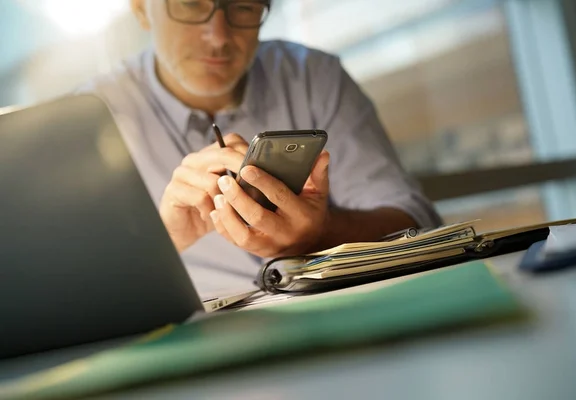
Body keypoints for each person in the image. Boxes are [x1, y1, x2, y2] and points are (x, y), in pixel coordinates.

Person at [81, 0, 442, 293]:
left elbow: (415, 221)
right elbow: (75, 290)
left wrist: (321, 233)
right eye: (190, 4)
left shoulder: (313, 76)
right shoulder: (88, 117)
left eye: (243, 7)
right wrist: (165, 242)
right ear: (141, 8)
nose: (218, 36)